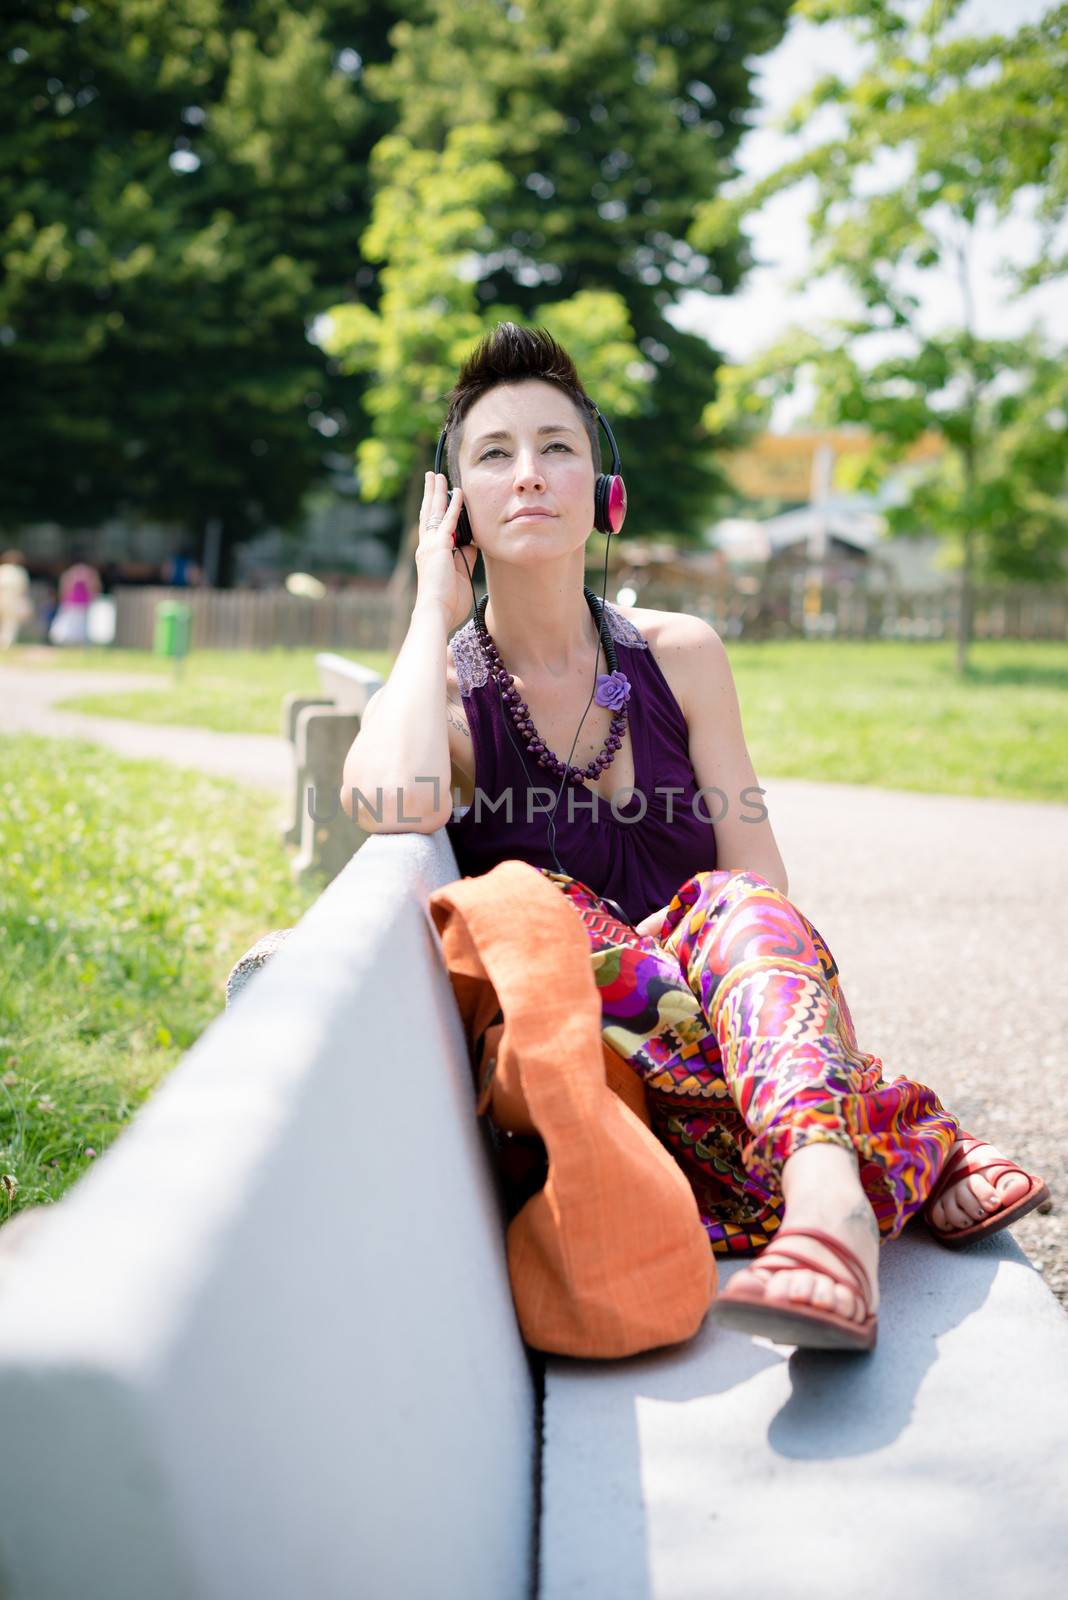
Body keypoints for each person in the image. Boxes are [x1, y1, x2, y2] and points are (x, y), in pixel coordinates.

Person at [340, 323, 1049, 1354]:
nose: (529, 473)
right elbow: (396, 801)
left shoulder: (681, 654)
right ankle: (906, 1138)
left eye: (557, 446)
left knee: (735, 905)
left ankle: (828, 1219)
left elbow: (764, 891)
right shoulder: (446, 696)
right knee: (554, 911)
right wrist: (428, 609)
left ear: (603, 488)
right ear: (455, 512)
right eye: (493, 454)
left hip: (751, 1033)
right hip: (614, 1092)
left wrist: (724, 972)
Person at [50, 554, 102, 646]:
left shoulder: (70, 573)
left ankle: (66, 639)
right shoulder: (90, 573)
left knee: (70, 622)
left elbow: (65, 588)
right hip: (82, 603)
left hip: (71, 602)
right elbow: (95, 588)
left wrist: (63, 598)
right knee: (80, 624)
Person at [0, 549, 32, 649]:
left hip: (4, 598)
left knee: (8, 621)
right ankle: (6, 642)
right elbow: (24, 588)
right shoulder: (20, 572)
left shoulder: (2, 570)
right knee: (10, 622)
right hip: (13, 599)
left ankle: (5, 642)